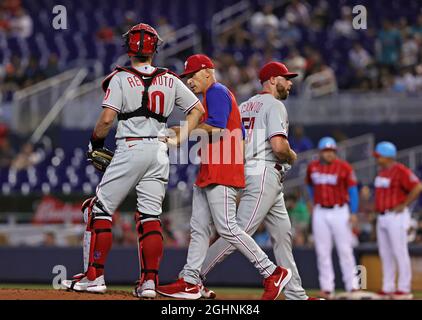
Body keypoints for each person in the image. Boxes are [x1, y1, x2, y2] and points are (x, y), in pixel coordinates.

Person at [60, 23, 204, 298]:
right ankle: (149, 283)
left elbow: (105, 120)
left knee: (98, 210)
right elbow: (198, 110)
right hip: (159, 150)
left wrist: (96, 143)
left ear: (128, 48)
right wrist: (181, 138)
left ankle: (94, 276)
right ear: (155, 49)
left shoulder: (120, 77)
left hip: (131, 146)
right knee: (151, 217)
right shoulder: (170, 79)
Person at [157, 55, 292, 300]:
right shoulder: (214, 96)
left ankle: (272, 272)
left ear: (208, 71)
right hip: (211, 166)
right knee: (198, 229)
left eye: (192, 75)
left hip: (222, 167)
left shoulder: (217, 91)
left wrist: (183, 132)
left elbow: (218, 128)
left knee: (228, 227)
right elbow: (233, 132)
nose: (189, 81)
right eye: (186, 77)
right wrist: (180, 130)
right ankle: (190, 280)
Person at [194, 61, 322, 300]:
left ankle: (296, 295)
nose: (290, 82)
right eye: (286, 78)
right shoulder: (274, 105)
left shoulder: (244, 105)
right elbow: (279, 147)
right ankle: (192, 277)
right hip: (264, 171)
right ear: (273, 80)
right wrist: (292, 155)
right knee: (237, 232)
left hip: (254, 171)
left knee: (283, 236)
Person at [306, 137, 360, 299]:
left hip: (340, 211)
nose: (329, 154)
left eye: (331, 151)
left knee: (345, 249)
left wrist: (354, 212)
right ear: (320, 152)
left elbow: (353, 191)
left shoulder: (344, 167)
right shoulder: (312, 167)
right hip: (320, 211)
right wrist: (312, 202)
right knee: (322, 251)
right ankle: (327, 287)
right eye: (326, 151)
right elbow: (309, 185)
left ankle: (352, 286)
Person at [373, 142, 422, 300]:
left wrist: (404, 204)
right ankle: (388, 287)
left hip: (396, 216)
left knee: (399, 251)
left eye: (379, 156)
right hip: (382, 216)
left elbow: (417, 187)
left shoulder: (400, 170)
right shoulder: (381, 172)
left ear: (387, 156)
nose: (377, 159)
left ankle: (404, 288)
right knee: (385, 253)